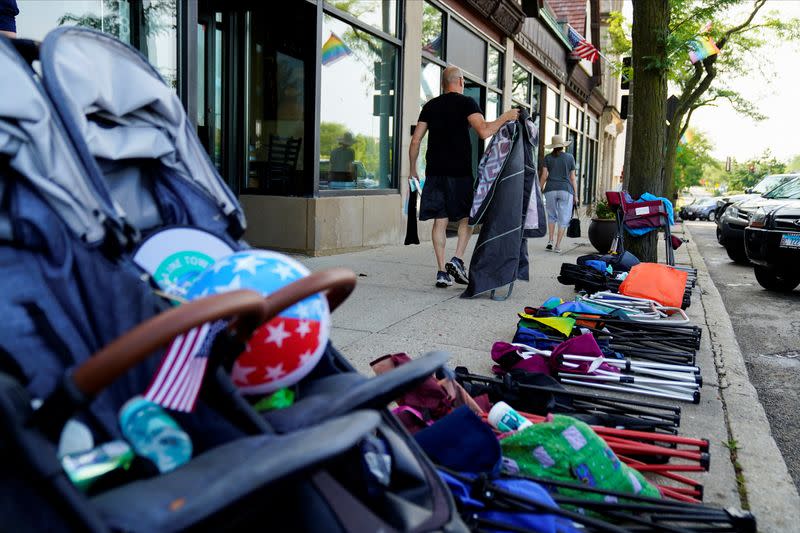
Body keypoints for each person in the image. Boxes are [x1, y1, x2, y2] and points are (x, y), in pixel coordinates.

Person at [409, 65, 519, 288]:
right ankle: (457, 258)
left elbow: (415, 141)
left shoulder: (430, 106)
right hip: (459, 172)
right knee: (467, 217)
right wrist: (506, 116)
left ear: (443, 84)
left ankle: (441, 272)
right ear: (460, 82)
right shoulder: (467, 102)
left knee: (440, 221)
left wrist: (412, 170)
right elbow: (484, 131)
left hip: (435, 172)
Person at [539, 134, 578, 253]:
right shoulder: (570, 157)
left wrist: (539, 189)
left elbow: (544, 176)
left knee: (551, 216)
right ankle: (557, 246)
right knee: (563, 218)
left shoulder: (547, 158)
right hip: (566, 190)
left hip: (550, 189)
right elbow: (572, 178)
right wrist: (576, 194)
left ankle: (550, 241)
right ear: (562, 146)